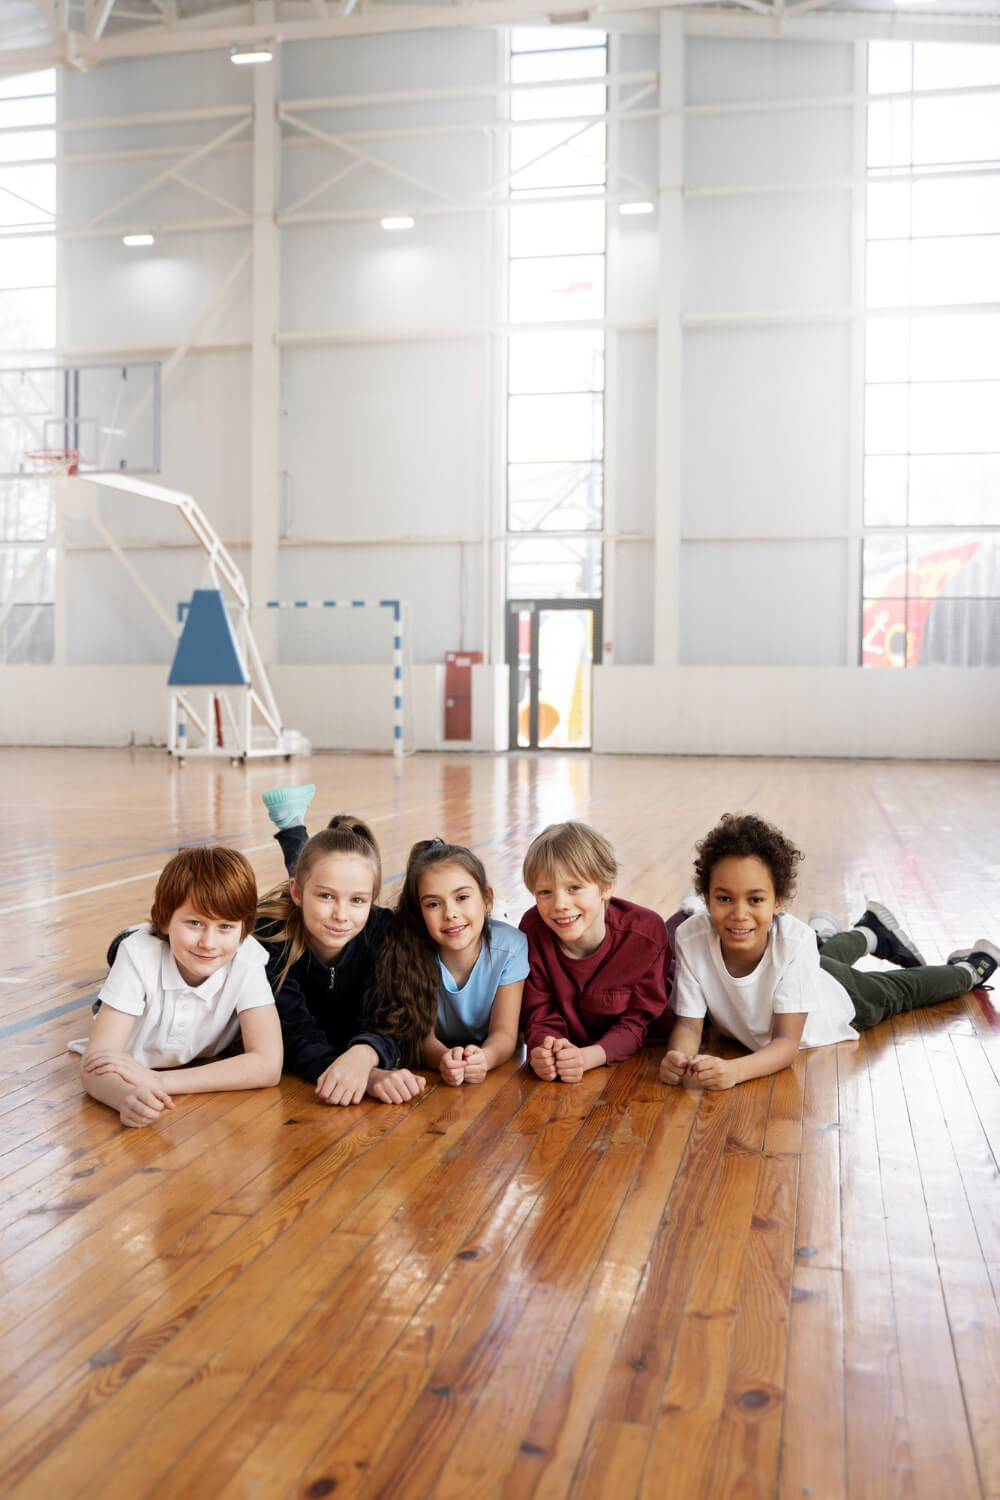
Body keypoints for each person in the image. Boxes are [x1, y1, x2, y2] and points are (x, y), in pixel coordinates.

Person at [660, 811, 999, 1091]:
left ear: (778, 902)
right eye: (723, 898)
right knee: (825, 959)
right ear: (705, 899)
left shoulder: (795, 942)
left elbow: (785, 1045)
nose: (739, 913)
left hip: (840, 1000)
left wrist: (734, 1071)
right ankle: (870, 932)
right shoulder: (691, 937)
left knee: (902, 990)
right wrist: (679, 1056)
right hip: (814, 971)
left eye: (756, 899)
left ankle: (972, 968)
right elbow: (689, 1026)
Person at [72, 846, 282, 1129]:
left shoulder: (247, 957)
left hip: (172, 956)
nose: (209, 942)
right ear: (166, 920)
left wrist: (158, 1081)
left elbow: (268, 1065)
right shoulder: (137, 956)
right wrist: (124, 1098)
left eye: (225, 927)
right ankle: (137, 934)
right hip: (145, 956)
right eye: (195, 922)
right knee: (131, 948)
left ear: (243, 930)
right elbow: (94, 1065)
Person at [258, 785, 425, 1106]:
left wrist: (365, 1054)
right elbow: (293, 1036)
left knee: (325, 881)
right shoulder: (270, 938)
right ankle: (293, 832)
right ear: (295, 892)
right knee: (313, 881)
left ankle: (293, 828)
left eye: (358, 900)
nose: (341, 915)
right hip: (291, 910)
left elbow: (400, 1019)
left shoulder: (384, 929)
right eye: (326, 896)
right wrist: (371, 1076)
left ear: (372, 901)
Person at [519, 821, 673, 1083]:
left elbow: (637, 1024)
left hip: (647, 1041)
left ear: (606, 887)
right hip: (576, 1041)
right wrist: (546, 1052)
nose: (560, 904)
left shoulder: (646, 935)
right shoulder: (532, 931)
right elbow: (538, 1015)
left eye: (574, 888)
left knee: (681, 931)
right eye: (545, 892)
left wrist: (586, 1058)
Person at [376, 838, 528, 1085]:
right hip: (446, 1045)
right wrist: (443, 1058)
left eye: (462, 897)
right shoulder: (408, 949)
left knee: (491, 930)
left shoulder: (512, 947)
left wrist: (485, 1059)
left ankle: (496, 913)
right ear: (419, 911)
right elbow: (419, 1036)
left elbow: (505, 1032)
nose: (450, 913)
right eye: (434, 904)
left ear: (487, 897)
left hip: (492, 936)